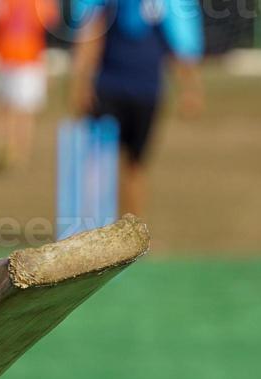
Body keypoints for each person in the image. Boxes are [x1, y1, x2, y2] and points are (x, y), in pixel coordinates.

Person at [68, 0, 204, 217]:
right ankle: (91, 228)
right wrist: (81, 84)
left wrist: (190, 89)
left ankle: (133, 233)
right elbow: (91, 36)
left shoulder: (161, 6)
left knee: (136, 164)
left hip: (147, 92)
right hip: (108, 89)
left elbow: (179, 42)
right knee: (97, 162)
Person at [0, 0, 60, 171]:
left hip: (30, 61)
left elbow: (50, 23)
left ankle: (20, 154)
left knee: (24, 111)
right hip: (3, 58)